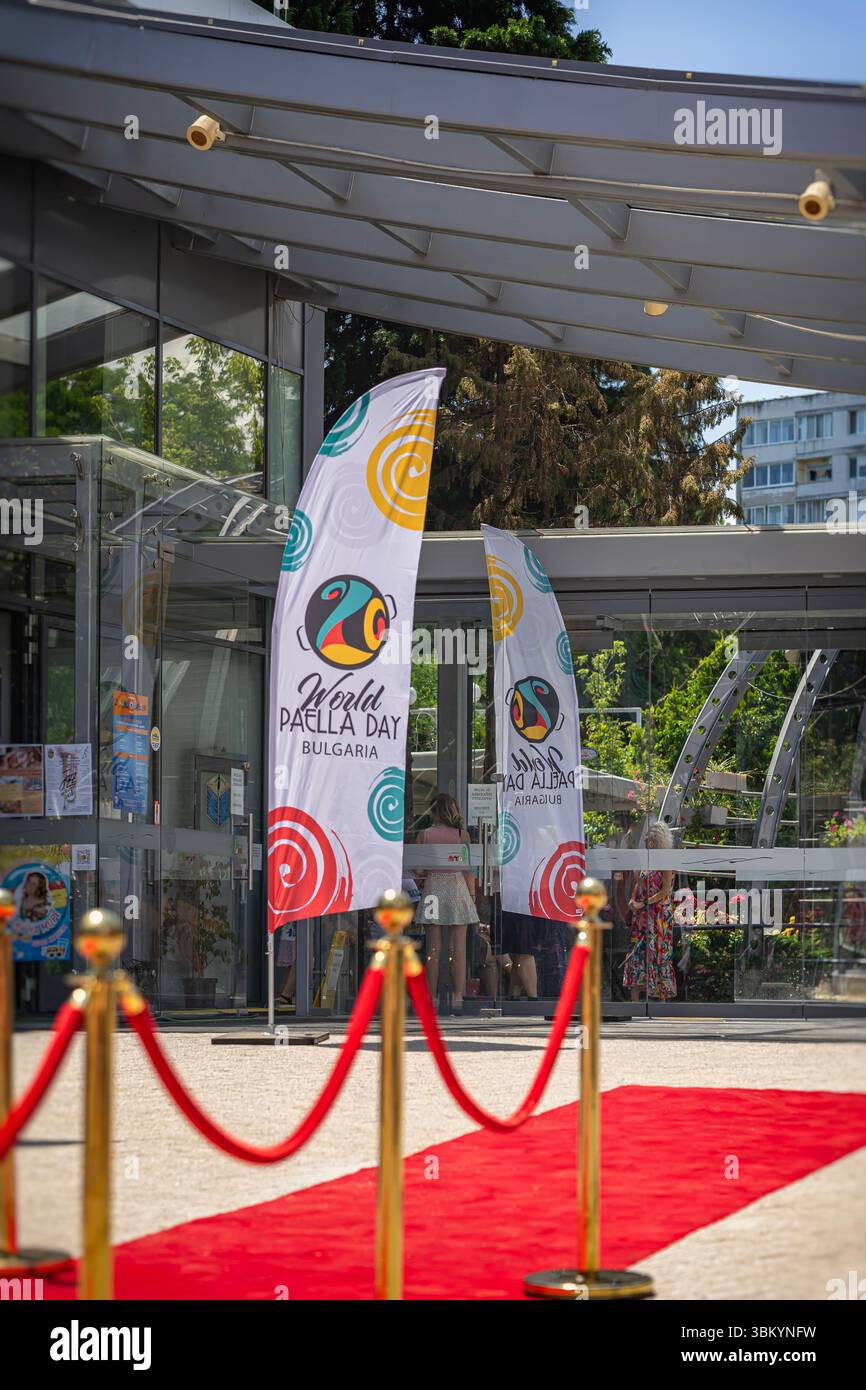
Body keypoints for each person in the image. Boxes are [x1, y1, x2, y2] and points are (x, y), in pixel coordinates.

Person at [414, 792, 479, 1011]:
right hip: (457, 888)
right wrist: (472, 896)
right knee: (457, 948)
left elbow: (419, 870)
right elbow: (468, 870)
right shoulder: (462, 835)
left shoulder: (424, 835)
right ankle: (458, 997)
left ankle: (431, 998)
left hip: (433, 889)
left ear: (434, 811)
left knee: (433, 949)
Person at [623, 820, 677, 1001]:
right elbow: (637, 884)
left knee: (658, 955)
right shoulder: (645, 862)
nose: (646, 843)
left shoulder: (666, 862)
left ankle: (660, 1000)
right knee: (637, 955)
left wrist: (644, 903)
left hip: (658, 917)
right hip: (642, 917)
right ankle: (635, 1002)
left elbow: (665, 891)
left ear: (655, 842)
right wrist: (632, 900)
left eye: (648, 840)